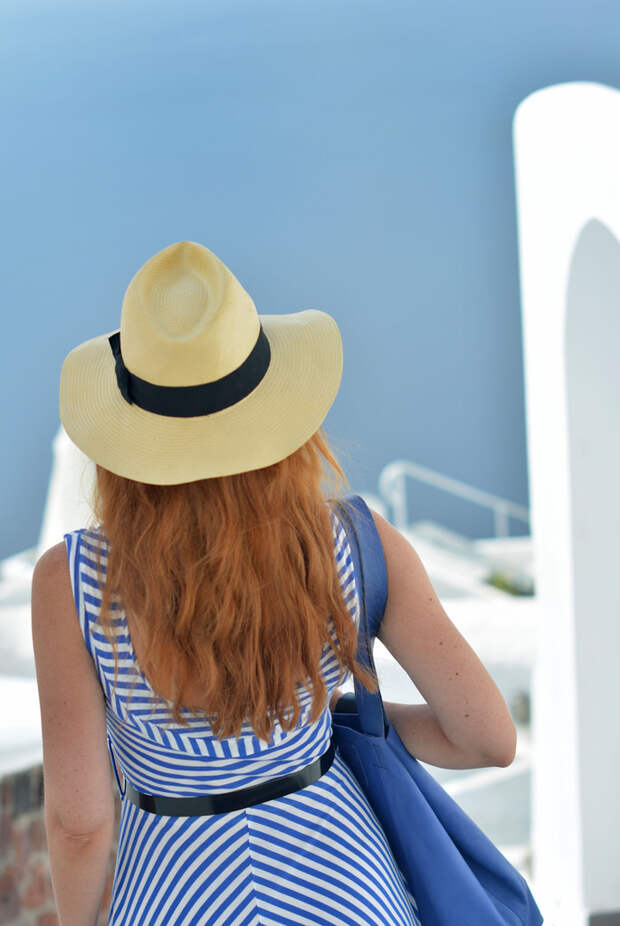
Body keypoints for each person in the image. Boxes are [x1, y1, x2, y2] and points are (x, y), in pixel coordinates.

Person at [32, 240, 515, 925]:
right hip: (350, 894)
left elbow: (79, 824)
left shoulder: (73, 582)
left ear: (126, 432)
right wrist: (324, 727)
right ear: (275, 408)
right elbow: (486, 739)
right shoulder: (354, 543)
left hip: (175, 898)